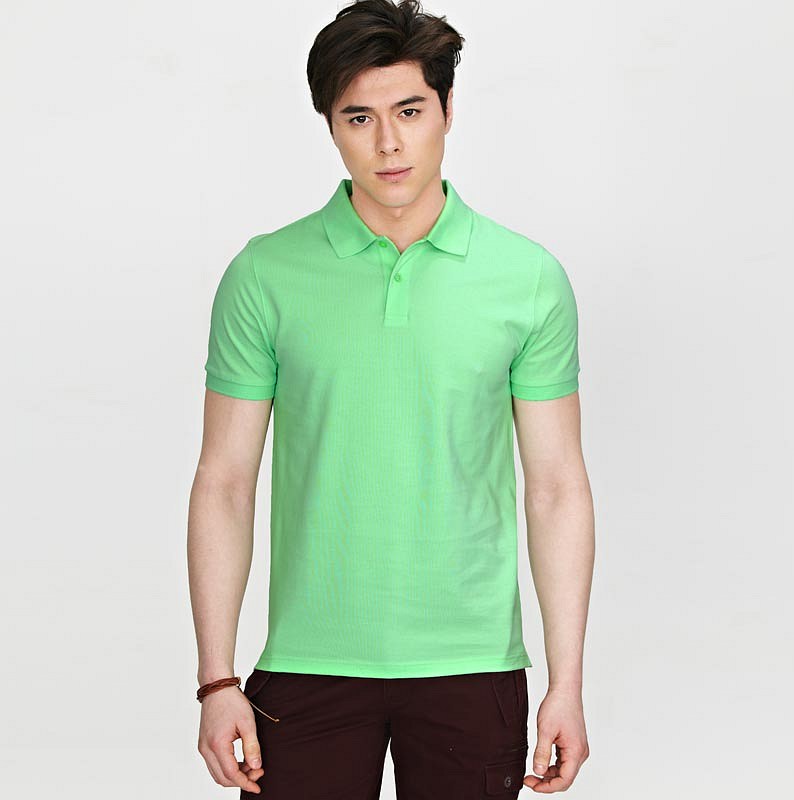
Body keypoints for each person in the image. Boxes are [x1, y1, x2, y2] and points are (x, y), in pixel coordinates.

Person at [187, 0, 595, 796]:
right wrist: (216, 678)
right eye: (358, 117)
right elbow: (224, 481)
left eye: (409, 111)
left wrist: (567, 682)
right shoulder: (264, 275)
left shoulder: (528, 279)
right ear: (330, 126)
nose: (388, 143)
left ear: (447, 108)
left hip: (473, 666)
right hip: (305, 667)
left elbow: (556, 486)